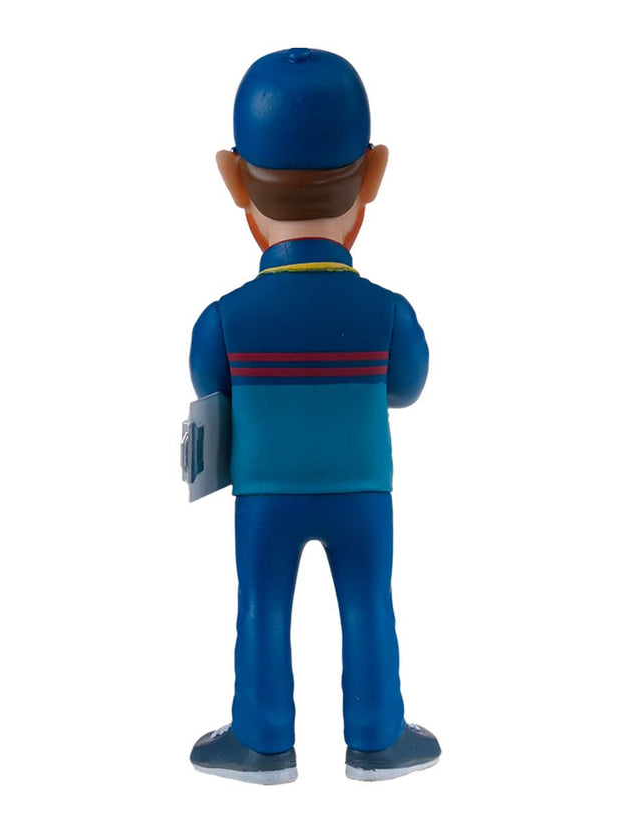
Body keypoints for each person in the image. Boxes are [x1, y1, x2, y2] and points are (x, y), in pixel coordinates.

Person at [187, 47, 440, 784]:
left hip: (264, 492)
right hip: (362, 488)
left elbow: (211, 386)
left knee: (262, 604)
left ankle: (263, 739)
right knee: (368, 604)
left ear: (235, 180)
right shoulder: (387, 312)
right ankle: (378, 736)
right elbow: (407, 385)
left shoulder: (224, 318)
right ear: (373, 175)